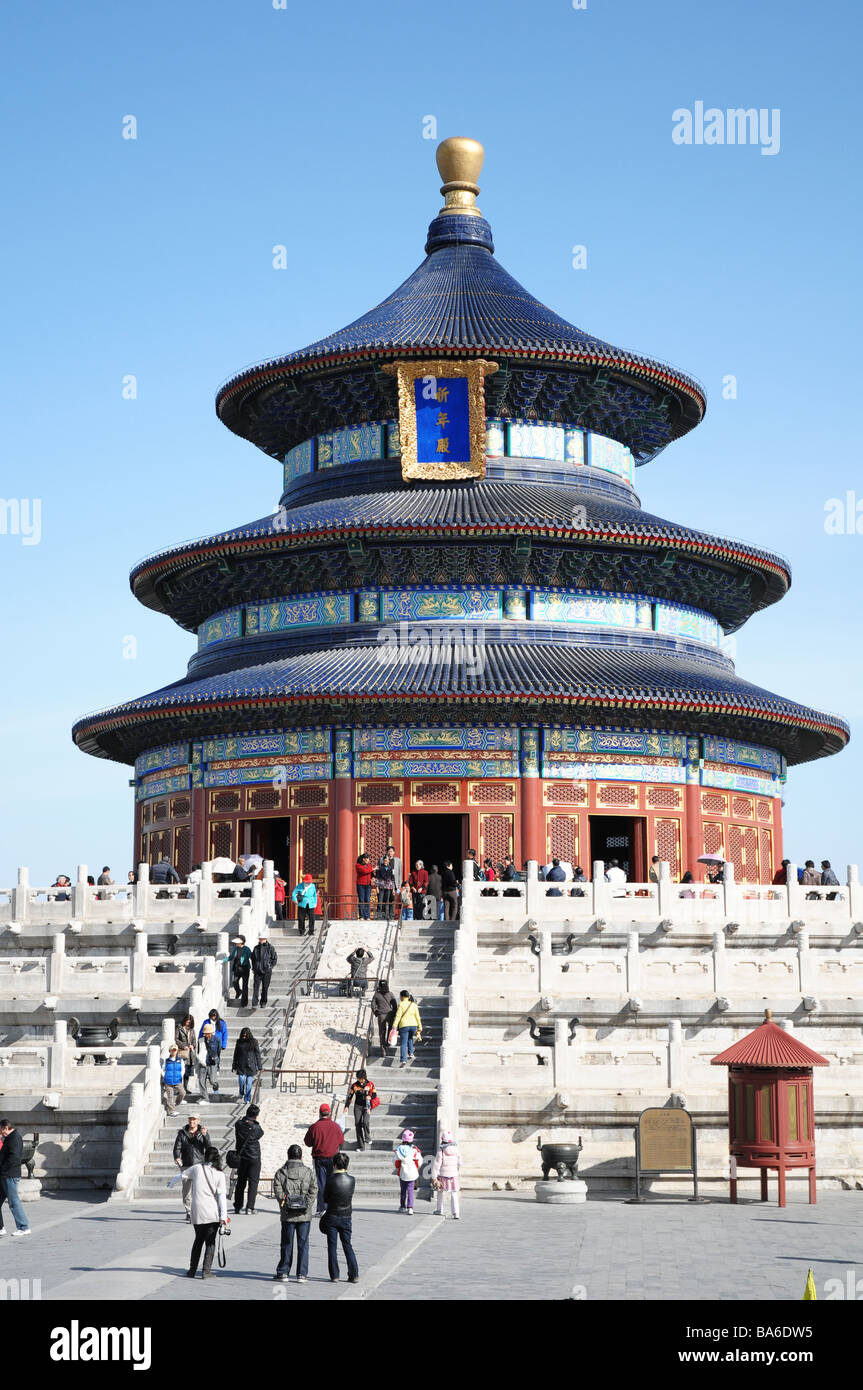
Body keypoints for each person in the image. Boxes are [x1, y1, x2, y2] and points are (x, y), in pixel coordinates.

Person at [273, 1143, 316, 1282]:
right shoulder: (308, 1172)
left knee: (286, 1243)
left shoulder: (281, 1172)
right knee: (303, 1244)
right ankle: (302, 1274)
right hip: (304, 1215)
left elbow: (278, 1192)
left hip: (287, 1214)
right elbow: (314, 1189)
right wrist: (306, 1205)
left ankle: (283, 1271)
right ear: (301, 1156)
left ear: (288, 1155)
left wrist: (285, 1204)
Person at [184, 1146, 228, 1278]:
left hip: (197, 1210)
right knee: (210, 1241)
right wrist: (223, 1217)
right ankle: (206, 1271)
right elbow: (221, 1197)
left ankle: (192, 1270)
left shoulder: (197, 1168)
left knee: (198, 1240)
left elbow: (183, 1174)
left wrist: (172, 1182)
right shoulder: (220, 1174)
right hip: (211, 1212)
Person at [321, 1153, 358, 1283]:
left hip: (332, 1215)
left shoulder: (330, 1180)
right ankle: (354, 1274)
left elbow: (325, 1198)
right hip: (346, 1216)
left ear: (334, 1164)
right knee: (347, 1245)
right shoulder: (352, 1180)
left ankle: (334, 1275)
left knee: (332, 1246)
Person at [303, 1102, 345, 1214]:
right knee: (331, 1182)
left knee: (321, 1183)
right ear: (329, 1113)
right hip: (332, 1158)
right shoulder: (335, 1126)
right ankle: (331, 1207)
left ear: (320, 1113)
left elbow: (307, 1142)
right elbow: (341, 1141)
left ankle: (321, 1208)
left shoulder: (314, 1127)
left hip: (319, 1158)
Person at [173, 1112, 209, 1222]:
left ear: (198, 1121)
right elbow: (177, 1148)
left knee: (199, 1190)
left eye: (194, 1119)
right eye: (190, 1119)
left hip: (199, 1165)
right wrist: (177, 1157)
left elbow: (209, 1147)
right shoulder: (182, 1133)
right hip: (186, 1165)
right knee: (186, 1191)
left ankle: (198, 1210)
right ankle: (188, 1212)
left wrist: (204, 1136)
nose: (192, 1122)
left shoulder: (202, 1132)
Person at [0, 1120, 31, 1237]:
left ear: (6, 1127)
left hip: (10, 1175)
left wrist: (3, 1168)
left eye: (1, 1129)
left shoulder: (14, 1138)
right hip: (5, 1175)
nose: (1, 1132)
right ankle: (1, 1228)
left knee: (13, 1202)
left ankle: (23, 1227)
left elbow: (14, 1157)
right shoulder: (10, 1138)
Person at [233, 1103, 264, 1215]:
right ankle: (250, 1207)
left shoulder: (239, 1124)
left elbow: (241, 1124)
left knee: (241, 1182)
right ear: (256, 1116)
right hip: (254, 1157)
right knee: (253, 1182)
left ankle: (237, 1206)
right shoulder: (256, 1127)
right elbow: (260, 1134)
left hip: (242, 1157)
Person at [431, 1129, 462, 1219]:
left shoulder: (441, 1151)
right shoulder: (456, 1150)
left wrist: (434, 1176)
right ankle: (456, 1213)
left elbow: (437, 1164)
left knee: (440, 1192)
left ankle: (439, 1209)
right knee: (454, 1194)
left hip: (443, 1175)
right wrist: (456, 1169)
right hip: (453, 1175)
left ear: (442, 1140)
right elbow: (460, 1162)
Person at [345, 1068, 376, 1152]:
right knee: (357, 1125)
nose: (360, 1081)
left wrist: (370, 1096)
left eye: (361, 1079)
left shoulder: (370, 1084)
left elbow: (374, 1094)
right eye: (358, 1079)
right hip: (357, 1107)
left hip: (367, 1106)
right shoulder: (354, 1085)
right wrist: (347, 1106)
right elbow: (350, 1096)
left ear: (364, 1077)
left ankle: (367, 1137)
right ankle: (361, 1146)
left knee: (365, 1122)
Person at [394, 1129, 422, 1215]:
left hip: (403, 1172)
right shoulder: (414, 1150)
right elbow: (420, 1161)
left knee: (403, 1190)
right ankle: (410, 1208)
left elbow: (395, 1161)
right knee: (410, 1190)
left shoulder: (398, 1149)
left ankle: (402, 1206)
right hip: (412, 1172)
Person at [231, 1027, 262, 1104]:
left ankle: (247, 1098)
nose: (244, 1037)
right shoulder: (239, 1042)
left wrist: (259, 1065)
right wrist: (234, 1065)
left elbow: (257, 1054)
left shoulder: (254, 1042)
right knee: (241, 1080)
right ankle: (241, 1092)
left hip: (250, 1066)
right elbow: (236, 1054)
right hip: (241, 1065)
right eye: (243, 1035)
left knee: (249, 1084)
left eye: (245, 1035)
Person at [392, 990, 422, 1066]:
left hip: (404, 1026)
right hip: (413, 1026)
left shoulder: (401, 1004)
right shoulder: (414, 1005)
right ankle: (411, 1053)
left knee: (403, 1043)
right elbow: (418, 1017)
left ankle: (403, 1060)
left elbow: (398, 1016)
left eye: (400, 996)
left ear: (402, 996)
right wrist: (420, 1027)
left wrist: (394, 1026)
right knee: (410, 1038)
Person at [371, 979, 397, 1057]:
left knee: (382, 1032)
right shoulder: (390, 994)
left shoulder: (376, 995)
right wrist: (394, 1013)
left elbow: (373, 1005)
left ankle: (383, 1048)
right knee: (390, 1029)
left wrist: (376, 1012)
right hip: (390, 1014)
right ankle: (388, 1041)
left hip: (381, 1015)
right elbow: (395, 1005)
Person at [251, 934, 278, 1008]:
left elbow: (274, 959)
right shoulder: (256, 948)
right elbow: (253, 959)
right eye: (260, 938)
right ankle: (254, 1003)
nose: (260, 940)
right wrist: (253, 968)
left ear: (265, 939)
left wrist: (270, 966)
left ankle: (263, 1002)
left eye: (262, 938)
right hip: (257, 971)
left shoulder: (270, 948)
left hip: (267, 971)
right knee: (256, 987)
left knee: (265, 987)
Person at [197, 1023, 221, 1100]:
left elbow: (218, 1053)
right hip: (203, 1063)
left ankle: (216, 1086)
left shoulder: (217, 1040)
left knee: (212, 1081)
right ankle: (205, 1098)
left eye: (208, 1033)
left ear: (212, 1033)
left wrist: (218, 1066)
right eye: (205, 1034)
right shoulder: (200, 1040)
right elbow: (198, 1052)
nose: (207, 1035)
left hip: (212, 1063)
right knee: (201, 1081)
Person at [228, 934, 253, 1007]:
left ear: (242, 941)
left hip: (245, 969)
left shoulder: (247, 949)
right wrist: (223, 960)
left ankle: (244, 1002)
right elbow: (231, 957)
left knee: (245, 986)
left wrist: (254, 967)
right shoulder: (235, 949)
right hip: (236, 968)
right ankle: (238, 991)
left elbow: (251, 957)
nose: (236, 943)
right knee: (234, 981)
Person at [162, 1044, 185, 1115]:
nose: (174, 1051)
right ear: (170, 1051)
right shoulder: (167, 1061)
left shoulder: (180, 1060)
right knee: (170, 1096)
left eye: (175, 1050)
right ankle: (171, 1111)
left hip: (177, 1080)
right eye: (172, 1050)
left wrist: (180, 1076)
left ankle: (176, 1103)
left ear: (177, 1051)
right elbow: (162, 1069)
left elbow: (183, 1069)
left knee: (182, 1092)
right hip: (168, 1080)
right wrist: (165, 1076)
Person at [175, 1013, 196, 1090]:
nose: (188, 1023)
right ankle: (179, 1089)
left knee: (187, 1072)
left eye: (190, 1022)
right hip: (182, 1052)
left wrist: (193, 1045)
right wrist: (183, 1046)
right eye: (187, 1021)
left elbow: (194, 1040)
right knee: (180, 1072)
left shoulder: (192, 1030)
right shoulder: (179, 1028)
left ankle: (185, 1088)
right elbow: (176, 1039)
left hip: (190, 1054)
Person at [375, 852, 396, 919]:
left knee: (386, 902)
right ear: (383, 861)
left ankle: (386, 916)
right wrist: (377, 887)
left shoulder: (391, 869)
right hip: (381, 887)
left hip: (388, 887)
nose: (385, 861)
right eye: (384, 860)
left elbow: (393, 879)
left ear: (388, 861)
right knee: (380, 902)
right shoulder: (380, 868)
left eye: (387, 860)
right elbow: (377, 878)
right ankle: (379, 916)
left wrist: (393, 889)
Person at [355, 852, 373, 920]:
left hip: (368, 885)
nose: (368, 860)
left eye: (368, 858)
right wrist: (372, 869)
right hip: (360, 885)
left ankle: (367, 916)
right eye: (367, 858)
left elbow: (370, 873)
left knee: (367, 900)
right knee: (361, 900)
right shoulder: (358, 865)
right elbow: (364, 871)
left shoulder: (369, 865)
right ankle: (361, 916)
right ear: (363, 859)